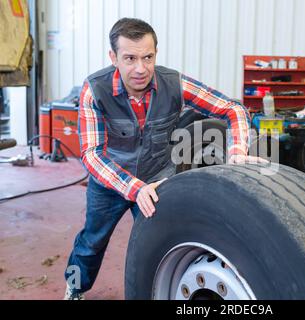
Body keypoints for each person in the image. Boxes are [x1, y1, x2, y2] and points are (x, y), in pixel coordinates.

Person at [64, 18, 264, 300]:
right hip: (110, 181)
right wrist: (134, 188)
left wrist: (236, 153)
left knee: (165, 242)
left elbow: (233, 108)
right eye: (130, 58)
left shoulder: (174, 83)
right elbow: (91, 154)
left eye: (148, 57)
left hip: (157, 179)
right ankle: (74, 286)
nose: (140, 69)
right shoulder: (95, 90)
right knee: (91, 242)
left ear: (156, 53)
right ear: (113, 57)